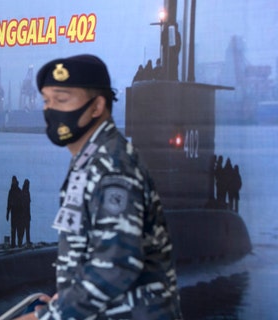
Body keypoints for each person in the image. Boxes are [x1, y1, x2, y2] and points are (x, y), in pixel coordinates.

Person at [15, 54, 182, 319]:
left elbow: (116, 265)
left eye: (62, 100)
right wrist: (66, 298)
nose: (51, 110)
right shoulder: (91, 158)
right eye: (47, 101)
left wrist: (46, 318)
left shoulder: (113, 165)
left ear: (96, 106)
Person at [6, 175, 24, 248]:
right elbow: (9, 203)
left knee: (18, 230)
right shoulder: (11, 191)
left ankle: (19, 244)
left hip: (18, 214)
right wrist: (7, 213)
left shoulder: (19, 191)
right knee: (13, 230)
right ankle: (13, 245)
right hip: (13, 213)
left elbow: (22, 203)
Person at [21, 178, 31, 245]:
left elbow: (28, 205)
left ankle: (26, 241)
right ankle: (22, 242)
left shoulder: (26, 192)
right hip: (24, 215)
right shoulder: (25, 193)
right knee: (24, 230)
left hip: (26, 215)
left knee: (26, 230)